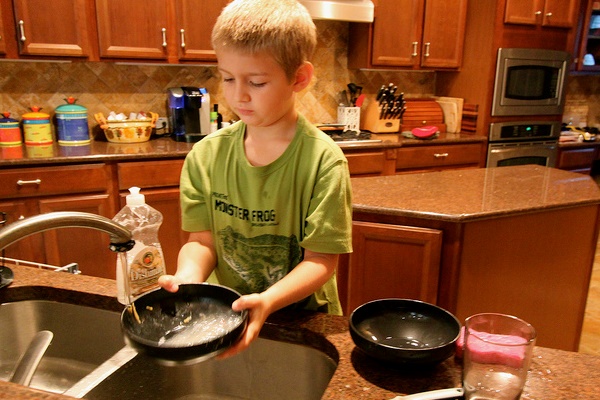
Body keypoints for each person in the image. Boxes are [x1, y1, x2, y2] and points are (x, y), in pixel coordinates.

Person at [158, 0, 353, 358]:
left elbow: (321, 261)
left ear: (300, 78)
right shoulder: (205, 157)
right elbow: (202, 241)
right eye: (228, 78)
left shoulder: (324, 162)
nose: (238, 95)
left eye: (257, 82)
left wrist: (267, 301)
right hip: (229, 317)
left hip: (303, 322)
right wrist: (187, 277)